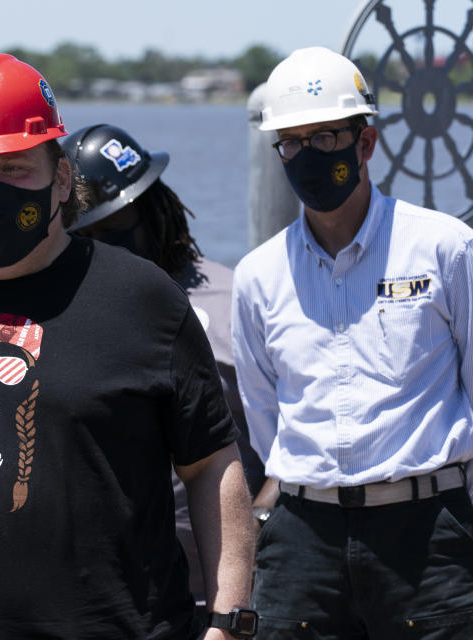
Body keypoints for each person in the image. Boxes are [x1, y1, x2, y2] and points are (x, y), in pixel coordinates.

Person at [0, 53, 256, 640]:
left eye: (14, 168)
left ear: (61, 177)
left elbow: (211, 465)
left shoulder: (144, 299)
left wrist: (229, 622)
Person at [232, 46, 473, 639]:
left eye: (326, 138)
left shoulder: (445, 249)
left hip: (428, 533)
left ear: (366, 143)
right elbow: (265, 417)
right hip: (301, 539)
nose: (308, 155)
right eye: (292, 141)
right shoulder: (258, 275)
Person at [61, 124, 265, 603]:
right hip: (109, 586)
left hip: (221, 583)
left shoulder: (234, 298)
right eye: (87, 233)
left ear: (155, 209)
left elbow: (291, 432)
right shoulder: (64, 310)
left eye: (117, 226)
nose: (105, 245)